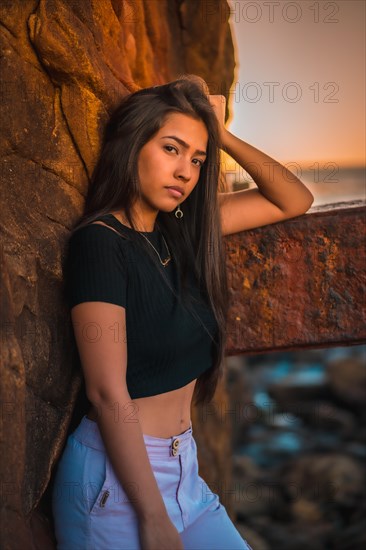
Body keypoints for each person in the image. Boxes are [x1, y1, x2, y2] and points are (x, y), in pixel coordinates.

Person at [51, 74, 314, 549]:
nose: (186, 172)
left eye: (197, 158)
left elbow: (294, 199)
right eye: (172, 149)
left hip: (184, 471)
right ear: (132, 146)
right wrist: (153, 518)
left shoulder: (180, 232)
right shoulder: (100, 244)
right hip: (115, 483)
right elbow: (108, 391)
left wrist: (222, 134)